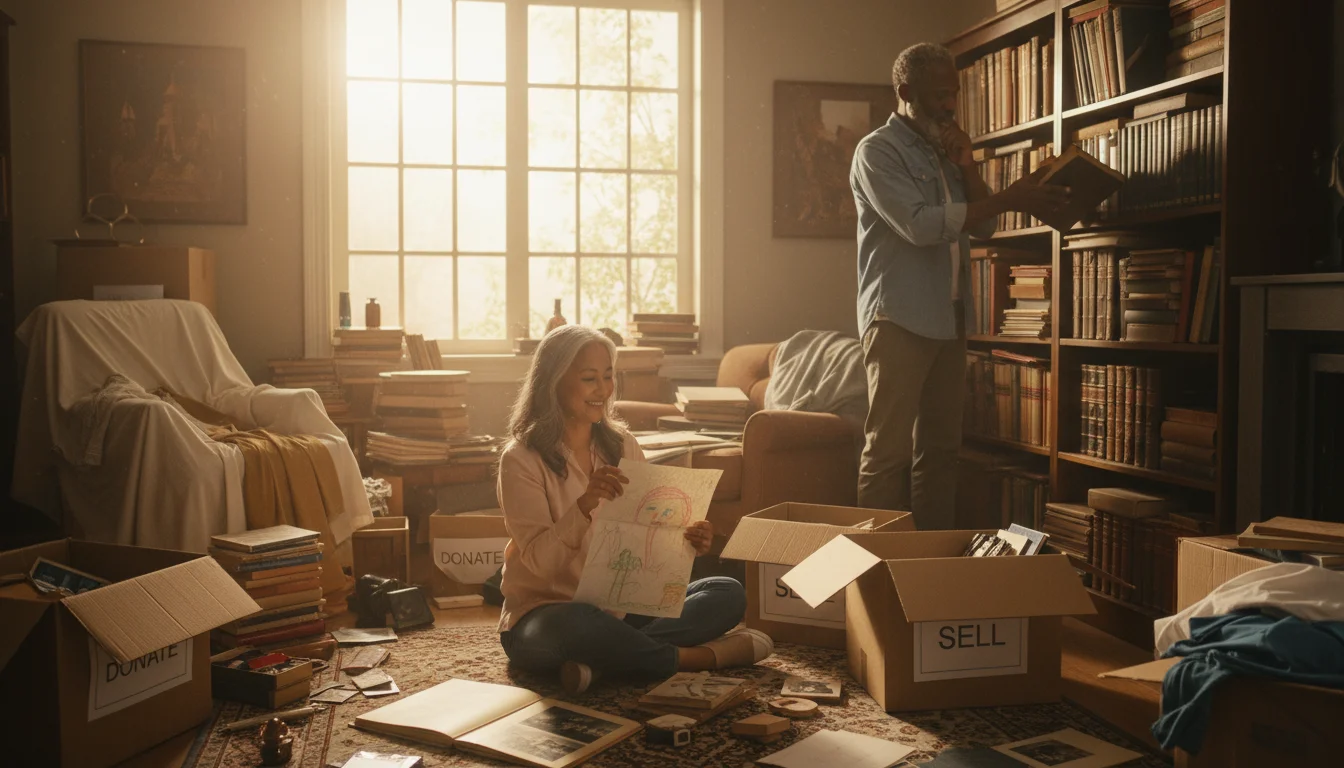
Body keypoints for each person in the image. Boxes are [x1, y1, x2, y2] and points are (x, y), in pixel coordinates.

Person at [850, 43, 1070, 528]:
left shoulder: (946, 149)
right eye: (938, 95)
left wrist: (968, 165)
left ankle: (928, 571)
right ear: (905, 92)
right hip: (898, 318)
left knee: (941, 450)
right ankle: (874, 571)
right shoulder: (876, 152)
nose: (950, 105)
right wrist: (1012, 197)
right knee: (888, 452)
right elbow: (920, 226)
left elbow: (984, 227)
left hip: (950, 317)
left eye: (954, 94)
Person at [496, 325, 773, 693]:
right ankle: (696, 658)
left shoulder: (622, 444)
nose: (603, 390)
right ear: (554, 381)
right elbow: (539, 565)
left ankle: (602, 663)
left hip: (620, 610)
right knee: (579, 624)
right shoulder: (520, 459)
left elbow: (648, 540)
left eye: (609, 376)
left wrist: (687, 540)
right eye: (589, 378)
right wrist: (584, 505)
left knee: (727, 592)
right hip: (546, 617)